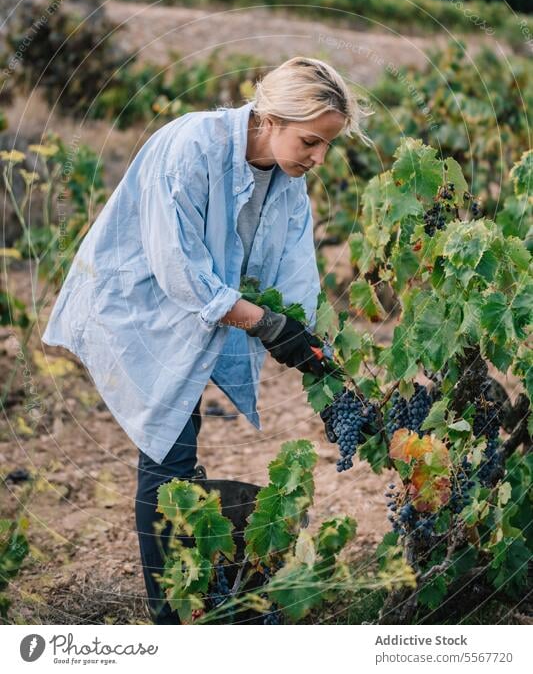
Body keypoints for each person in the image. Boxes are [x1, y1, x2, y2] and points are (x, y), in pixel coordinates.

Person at [41, 56, 370, 623]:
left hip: (194, 317)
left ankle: (192, 598)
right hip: (137, 308)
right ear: (270, 119)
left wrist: (319, 360)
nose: (319, 158)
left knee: (175, 447)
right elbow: (177, 269)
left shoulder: (288, 186)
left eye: (326, 147)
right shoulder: (193, 146)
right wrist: (267, 325)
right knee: (168, 450)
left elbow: (295, 278)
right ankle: (173, 619)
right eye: (311, 141)